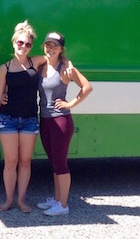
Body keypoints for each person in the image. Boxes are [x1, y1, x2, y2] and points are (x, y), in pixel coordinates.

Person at [0, 20, 47, 213]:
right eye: (20, 43)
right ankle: (8, 200)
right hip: (8, 119)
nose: (23, 46)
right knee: (11, 162)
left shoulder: (36, 62)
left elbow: (56, 55)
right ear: (14, 43)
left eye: (28, 44)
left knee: (25, 162)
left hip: (30, 119)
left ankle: (21, 201)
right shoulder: (4, 68)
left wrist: (69, 66)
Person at [36, 31, 92, 216]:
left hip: (60, 121)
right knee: (54, 162)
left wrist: (70, 104)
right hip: (44, 120)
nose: (50, 48)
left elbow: (87, 87)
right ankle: (57, 199)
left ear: (61, 49)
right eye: (48, 44)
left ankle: (63, 205)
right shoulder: (41, 64)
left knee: (61, 164)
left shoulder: (65, 68)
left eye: (55, 46)